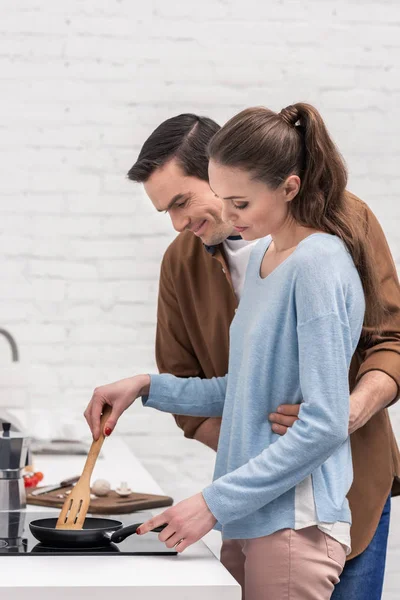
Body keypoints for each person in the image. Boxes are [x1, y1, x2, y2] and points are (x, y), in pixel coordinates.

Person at [85, 104, 400, 600]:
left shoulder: (325, 248)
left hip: (309, 505)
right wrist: (149, 387)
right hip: (252, 508)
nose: (177, 222)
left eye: (183, 201)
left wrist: (215, 498)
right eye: (165, 210)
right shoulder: (259, 259)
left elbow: (343, 396)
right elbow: (248, 388)